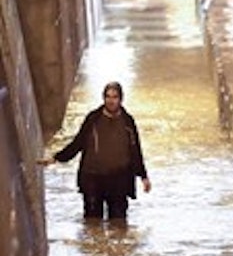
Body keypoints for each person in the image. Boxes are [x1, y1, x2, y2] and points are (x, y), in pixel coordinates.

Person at [38, 81, 151, 221]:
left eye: (115, 97)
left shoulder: (128, 122)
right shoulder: (93, 119)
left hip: (119, 181)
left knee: (119, 225)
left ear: (121, 99)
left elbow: (135, 151)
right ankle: (93, 244)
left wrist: (143, 176)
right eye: (108, 97)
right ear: (103, 98)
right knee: (92, 224)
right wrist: (56, 158)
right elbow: (77, 143)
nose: (111, 101)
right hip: (93, 179)